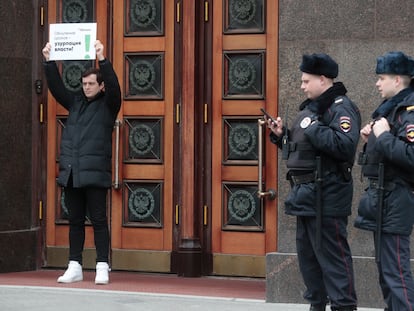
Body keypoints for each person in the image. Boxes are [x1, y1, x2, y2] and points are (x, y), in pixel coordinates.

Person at [264, 53, 360, 311]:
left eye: (307, 81)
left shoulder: (340, 107)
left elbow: (344, 146)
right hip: (305, 195)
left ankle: (344, 306)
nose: (302, 86)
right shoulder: (311, 110)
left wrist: (313, 127)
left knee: (334, 260)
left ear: (323, 79)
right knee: (309, 259)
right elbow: (301, 150)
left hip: (327, 195)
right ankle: (316, 305)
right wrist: (281, 136)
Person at [42, 40, 121, 285]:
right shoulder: (75, 103)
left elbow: (116, 88)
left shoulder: (109, 105)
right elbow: (57, 89)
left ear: (100, 86)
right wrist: (48, 61)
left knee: (98, 220)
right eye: (84, 84)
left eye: (91, 84)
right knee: (74, 221)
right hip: (72, 171)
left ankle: (101, 266)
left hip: (95, 173)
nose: (86, 87)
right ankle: (74, 265)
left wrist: (103, 59)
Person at [354, 51, 414, 310]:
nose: (377, 84)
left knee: (396, 273)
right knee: (386, 273)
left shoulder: (408, 112)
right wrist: (372, 140)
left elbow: (411, 156)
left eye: (381, 78)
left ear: (398, 80)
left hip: (397, 199)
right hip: (382, 199)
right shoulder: (391, 111)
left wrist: (384, 136)